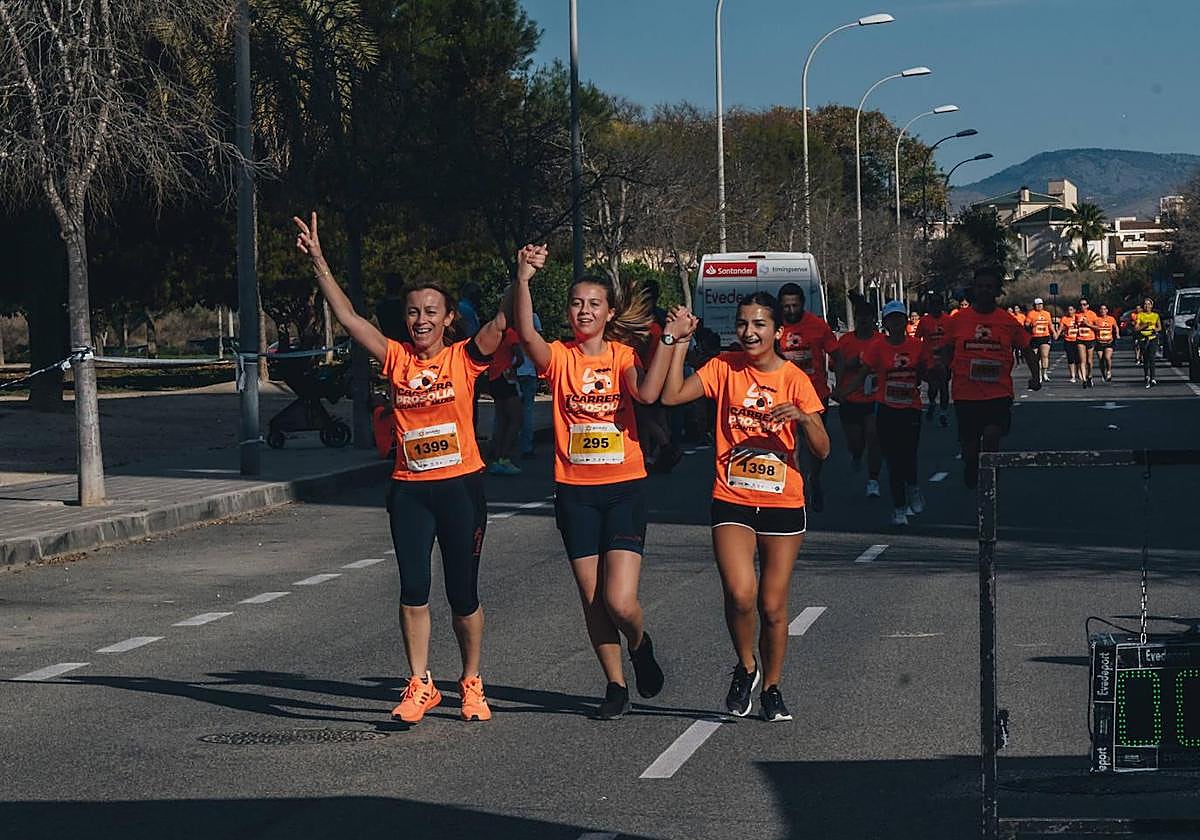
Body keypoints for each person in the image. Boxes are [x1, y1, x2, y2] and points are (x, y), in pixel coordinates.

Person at [293, 212, 503, 724]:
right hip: (410, 490)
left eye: (432, 311)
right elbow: (348, 318)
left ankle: (471, 681)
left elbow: (504, 324)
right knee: (413, 588)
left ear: (449, 317)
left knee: (462, 593)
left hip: (460, 488)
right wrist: (319, 260)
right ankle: (420, 681)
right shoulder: (395, 359)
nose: (421, 320)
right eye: (413, 312)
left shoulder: (463, 358)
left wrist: (521, 277)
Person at [513, 244, 674, 720]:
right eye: (577, 303)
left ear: (608, 313)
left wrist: (667, 345)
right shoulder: (560, 357)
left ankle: (640, 644)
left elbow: (646, 393)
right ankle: (615, 684)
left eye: (594, 304)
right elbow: (525, 334)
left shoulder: (623, 355)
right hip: (575, 492)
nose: (584, 311)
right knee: (592, 598)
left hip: (624, 486)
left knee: (619, 600)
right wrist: (523, 278)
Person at [661, 292, 829, 722]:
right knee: (739, 595)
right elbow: (672, 395)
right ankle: (746, 666)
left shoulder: (794, 379)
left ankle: (772, 686)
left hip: (782, 502)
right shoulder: (724, 368)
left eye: (758, 325)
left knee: (772, 607)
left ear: (777, 331)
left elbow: (823, 450)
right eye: (742, 324)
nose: (749, 332)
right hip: (731, 496)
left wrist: (804, 417)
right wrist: (679, 340)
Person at [940, 266, 1041, 489]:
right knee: (970, 447)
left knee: (992, 433)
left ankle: (990, 468)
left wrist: (1036, 377)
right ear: (974, 290)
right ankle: (971, 463)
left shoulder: (1007, 321)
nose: (985, 291)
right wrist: (943, 371)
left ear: (997, 291)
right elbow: (947, 349)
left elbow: (1026, 349)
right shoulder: (959, 320)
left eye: (990, 287)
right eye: (980, 286)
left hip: (998, 392)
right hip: (966, 393)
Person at [853, 301, 932, 526]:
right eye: (891, 319)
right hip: (886, 408)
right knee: (893, 459)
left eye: (900, 318)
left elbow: (927, 372)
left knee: (908, 455)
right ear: (885, 323)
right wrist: (843, 391)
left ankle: (913, 487)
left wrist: (935, 376)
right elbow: (864, 372)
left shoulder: (917, 346)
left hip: (911, 408)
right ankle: (899, 507)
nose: (896, 323)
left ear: (905, 321)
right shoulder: (878, 347)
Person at [776, 283, 837, 512]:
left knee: (815, 447)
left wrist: (840, 382)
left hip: (816, 396)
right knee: (792, 446)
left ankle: (815, 478)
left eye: (794, 305)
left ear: (802, 304)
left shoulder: (817, 326)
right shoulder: (775, 327)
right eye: (786, 307)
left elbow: (836, 354)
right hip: (784, 397)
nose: (790, 311)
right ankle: (798, 485)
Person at [832, 295, 883, 497]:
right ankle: (856, 455)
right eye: (859, 317)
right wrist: (847, 368)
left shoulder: (880, 341)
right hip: (850, 398)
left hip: (874, 399)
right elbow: (836, 366)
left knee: (874, 437)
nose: (863, 321)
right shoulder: (845, 341)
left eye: (866, 317)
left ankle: (873, 479)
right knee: (856, 443)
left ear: (873, 319)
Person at [486, 327, 523, 475]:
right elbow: (520, 357)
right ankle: (504, 458)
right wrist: (513, 367)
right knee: (516, 419)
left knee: (501, 420)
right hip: (506, 377)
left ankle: (497, 457)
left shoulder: (493, 331)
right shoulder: (510, 333)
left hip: (493, 377)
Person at [916, 296, 951, 426]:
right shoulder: (924, 321)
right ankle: (932, 402)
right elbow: (917, 338)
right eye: (933, 307)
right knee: (933, 386)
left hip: (944, 359)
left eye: (938, 306)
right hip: (928, 359)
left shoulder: (948, 320)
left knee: (944, 386)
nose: (936, 309)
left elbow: (953, 338)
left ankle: (943, 412)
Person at [516, 311, 543, 459]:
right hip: (528, 369)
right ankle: (526, 446)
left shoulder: (509, 317)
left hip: (511, 371)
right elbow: (537, 340)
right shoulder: (532, 316)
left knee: (504, 413)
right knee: (527, 411)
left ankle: (500, 446)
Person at [1133, 297, 1161, 388]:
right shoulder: (1140, 315)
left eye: (1149, 304)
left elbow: (1159, 327)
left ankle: (1153, 378)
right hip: (1143, 338)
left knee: (1152, 357)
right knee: (1146, 358)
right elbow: (1136, 328)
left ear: (1152, 305)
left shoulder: (1156, 315)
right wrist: (1145, 325)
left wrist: (1154, 329)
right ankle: (1146, 375)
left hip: (1152, 338)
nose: (1147, 306)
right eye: (1145, 304)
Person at [1024, 297, 1054, 383]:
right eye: (1037, 305)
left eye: (1040, 304)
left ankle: (1045, 373)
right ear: (1034, 305)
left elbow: (1050, 325)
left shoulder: (1047, 314)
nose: (1039, 306)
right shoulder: (1031, 314)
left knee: (1044, 355)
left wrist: (1054, 332)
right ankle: (1038, 375)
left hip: (1045, 336)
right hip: (1034, 337)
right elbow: (1026, 324)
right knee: (1036, 357)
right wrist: (1031, 325)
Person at [1075, 298, 1100, 388]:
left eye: (1084, 304)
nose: (1082, 306)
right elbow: (1074, 326)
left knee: (1089, 361)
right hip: (1080, 339)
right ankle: (1084, 380)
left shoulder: (1092, 314)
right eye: (1081, 304)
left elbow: (1098, 328)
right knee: (1083, 360)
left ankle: (1089, 376)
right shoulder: (1077, 315)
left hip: (1090, 339)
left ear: (1088, 305)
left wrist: (1088, 324)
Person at [1094, 304, 1119, 382]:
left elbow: (1116, 327)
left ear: (1107, 310)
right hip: (1099, 342)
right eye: (1101, 309)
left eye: (1104, 309)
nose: (1103, 311)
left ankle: (1108, 371)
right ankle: (1103, 374)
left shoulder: (1111, 319)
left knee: (1107, 358)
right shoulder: (1096, 319)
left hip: (1109, 342)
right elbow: (1092, 327)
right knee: (1101, 359)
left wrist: (1117, 334)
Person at [1056, 304, 1080, 383]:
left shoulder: (1078, 317)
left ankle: (1079, 373)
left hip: (1078, 340)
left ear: (1074, 310)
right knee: (1070, 358)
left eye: (1071, 310)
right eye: (1068, 310)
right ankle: (1072, 375)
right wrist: (1056, 335)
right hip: (1068, 340)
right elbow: (1060, 328)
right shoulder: (1064, 319)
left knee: (1078, 359)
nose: (1070, 311)